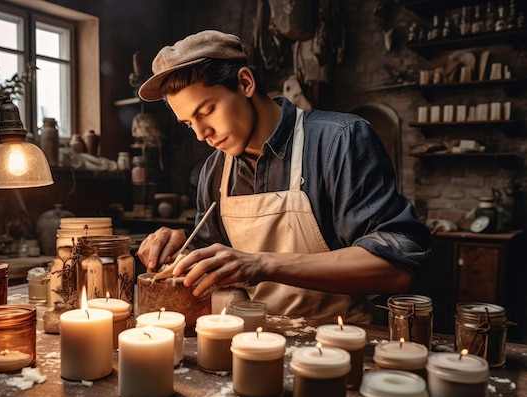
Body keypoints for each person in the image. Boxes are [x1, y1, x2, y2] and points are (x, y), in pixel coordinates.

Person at [136, 30, 431, 323]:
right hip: (255, 341)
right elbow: (213, 267)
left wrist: (262, 263)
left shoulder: (339, 141)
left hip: (343, 341)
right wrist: (181, 248)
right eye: (189, 124)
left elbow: (397, 269)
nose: (202, 134)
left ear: (245, 83)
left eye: (207, 111)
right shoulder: (214, 172)